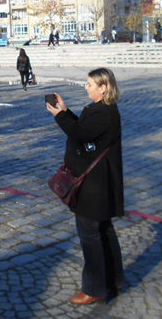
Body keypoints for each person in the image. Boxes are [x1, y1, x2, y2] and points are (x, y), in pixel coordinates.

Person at [45, 68, 124, 305]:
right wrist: (66, 111)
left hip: (93, 185)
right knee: (104, 231)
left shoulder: (104, 113)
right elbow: (84, 128)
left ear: (103, 88)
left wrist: (59, 116)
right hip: (98, 182)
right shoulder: (100, 110)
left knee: (90, 235)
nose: (86, 87)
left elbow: (80, 134)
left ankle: (94, 288)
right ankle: (114, 279)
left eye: (90, 84)